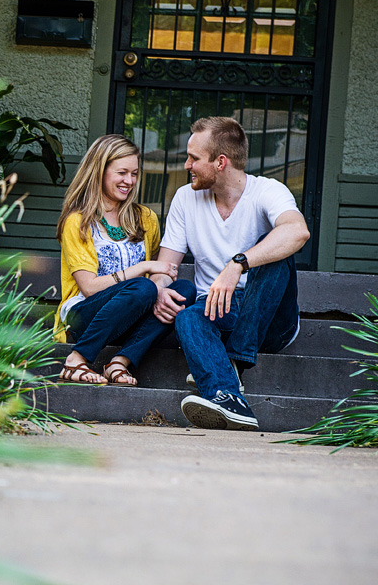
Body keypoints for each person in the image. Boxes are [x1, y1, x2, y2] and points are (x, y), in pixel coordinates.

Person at [151, 117, 310, 430]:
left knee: (276, 246)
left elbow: (298, 231)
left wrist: (238, 264)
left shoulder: (268, 191)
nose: (186, 165)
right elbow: (166, 267)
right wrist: (159, 289)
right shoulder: (186, 198)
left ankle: (234, 361)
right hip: (216, 311)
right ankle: (229, 398)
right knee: (187, 317)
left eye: (194, 158)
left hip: (269, 321)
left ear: (220, 162)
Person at [54, 134, 195, 386]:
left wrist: (159, 290)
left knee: (183, 291)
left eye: (134, 173)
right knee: (143, 286)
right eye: (121, 173)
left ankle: (119, 362)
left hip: (130, 314)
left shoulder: (146, 218)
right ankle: (76, 360)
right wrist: (143, 268)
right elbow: (89, 287)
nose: (129, 181)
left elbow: (155, 283)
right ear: (100, 171)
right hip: (84, 316)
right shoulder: (79, 221)